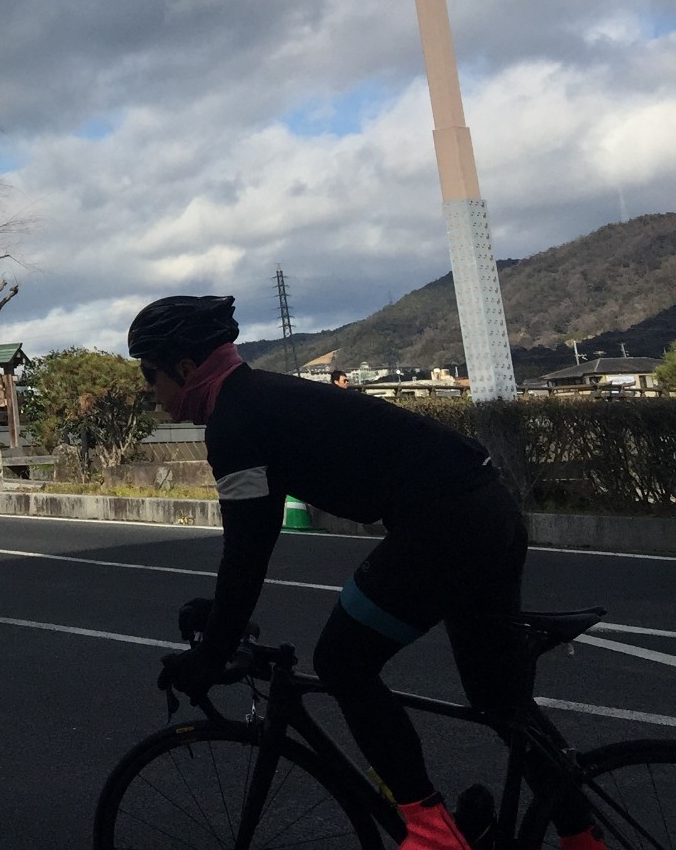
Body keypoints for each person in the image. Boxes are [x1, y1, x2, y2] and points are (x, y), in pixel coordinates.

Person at [129, 295, 601, 850]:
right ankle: (583, 840)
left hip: (442, 521)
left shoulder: (236, 420)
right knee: (500, 701)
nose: (149, 389)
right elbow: (254, 539)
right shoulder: (261, 400)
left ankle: (430, 833)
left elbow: (249, 546)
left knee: (342, 662)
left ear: (184, 368)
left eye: (149, 373)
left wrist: (213, 652)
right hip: (486, 507)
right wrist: (224, 617)